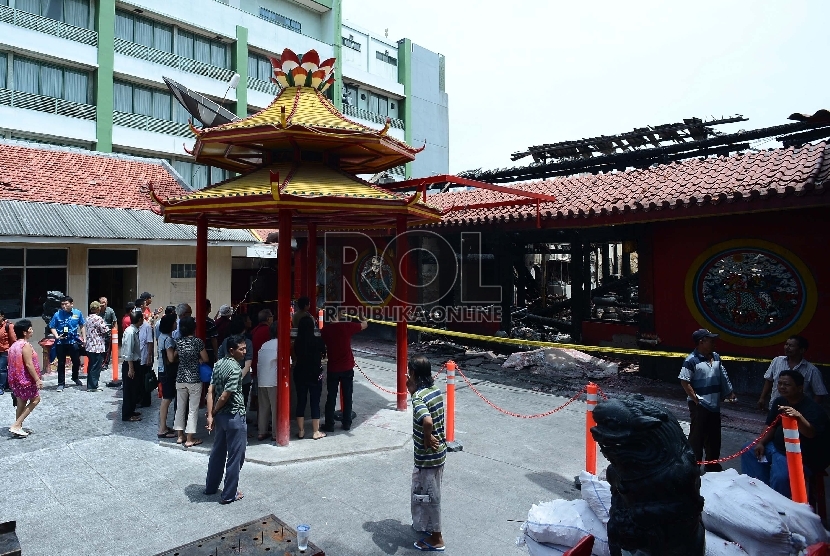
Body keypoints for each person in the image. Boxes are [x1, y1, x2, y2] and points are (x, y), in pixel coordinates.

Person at [741, 370, 830, 498]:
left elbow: (810, 433)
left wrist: (798, 417)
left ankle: (780, 507)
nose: (782, 387)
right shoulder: (780, 401)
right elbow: (770, 425)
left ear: (800, 388)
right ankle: (759, 494)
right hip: (777, 447)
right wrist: (761, 442)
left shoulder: (813, 409)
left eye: (787, 384)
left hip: (800, 455)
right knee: (748, 450)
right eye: (780, 383)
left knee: (781, 476)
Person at [678, 328, 735, 472]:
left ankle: (712, 465)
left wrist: (729, 392)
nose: (714, 343)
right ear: (701, 342)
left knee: (714, 436)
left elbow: (723, 375)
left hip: (714, 404)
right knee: (697, 436)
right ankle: (694, 466)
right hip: (700, 404)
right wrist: (696, 399)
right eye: (711, 340)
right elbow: (685, 381)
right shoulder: (691, 360)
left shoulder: (715, 357)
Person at [406, 355, 447, 551]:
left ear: (413, 373)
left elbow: (428, 421)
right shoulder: (435, 390)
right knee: (422, 490)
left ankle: (437, 537)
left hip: (428, 457)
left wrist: (427, 437)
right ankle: (424, 525)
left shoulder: (419, 398)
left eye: (409, 371)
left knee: (431, 495)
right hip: (438, 454)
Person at [205, 333, 248, 505]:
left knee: (217, 453)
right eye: (241, 349)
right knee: (235, 457)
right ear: (232, 351)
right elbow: (224, 396)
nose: (244, 352)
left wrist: (210, 415)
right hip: (234, 415)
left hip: (221, 417)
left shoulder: (218, 364)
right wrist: (214, 411)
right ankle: (229, 494)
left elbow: (210, 391)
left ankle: (210, 487)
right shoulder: (236, 369)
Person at [320, 310, 367, 432]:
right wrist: (361, 316)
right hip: (347, 367)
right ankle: (347, 423)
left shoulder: (325, 331)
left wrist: (337, 315)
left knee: (331, 397)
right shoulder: (346, 326)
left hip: (333, 368)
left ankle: (329, 424)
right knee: (347, 396)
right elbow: (364, 325)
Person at [758, 336, 827, 410]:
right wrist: (762, 398)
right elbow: (769, 380)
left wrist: (811, 410)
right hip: (776, 407)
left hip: (799, 411)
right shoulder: (777, 361)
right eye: (786, 344)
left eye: (791, 346)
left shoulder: (812, 370)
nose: (787, 348)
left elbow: (819, 393)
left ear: (802, 350)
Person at [174, 316, 208, 448]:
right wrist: (198, 360)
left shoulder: (179, 341)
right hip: (194, 378)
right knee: (192, 409)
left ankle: (179, 436)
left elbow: (176, 356)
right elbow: (205, 358)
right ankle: (190, 438)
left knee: (180, 408)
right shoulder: (197, 342)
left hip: (180, 378)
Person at [7, 319, 43, 437]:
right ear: (24, 332)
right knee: (36, 399)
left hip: (15, 379)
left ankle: (18, 428)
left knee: (21, 402)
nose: (32, 331)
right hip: (25, 380)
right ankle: (16, 425)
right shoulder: (25, 345)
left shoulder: (14, 345)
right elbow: (28, 364)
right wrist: (37, 379)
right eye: (30, 329)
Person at [294, 315, 326, 440]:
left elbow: (295, 356)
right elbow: (323, 355)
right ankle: (315, 431)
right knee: (315, 402)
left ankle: (301, 431)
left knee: (301, 402)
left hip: (300, 372)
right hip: (314, 374)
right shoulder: (318, 341)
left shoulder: (297, 342)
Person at [49, 295, 86, 391]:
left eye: (66, 304)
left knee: (76, 361)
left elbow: (82, 325)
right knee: (61, 363)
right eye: (62, 304)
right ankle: (61, 383)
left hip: (73, 341)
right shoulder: (57, 314)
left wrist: (84, 338)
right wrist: (57, 336)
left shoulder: (77, 313)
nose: (64, 306)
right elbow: (52, 326)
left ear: (71, 304)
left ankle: (75, 377)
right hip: (61, 342)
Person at [218, 314, 253, 411]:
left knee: (228, 403)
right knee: (242, 404)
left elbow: (220, 360)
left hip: (227, 377)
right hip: (243, 379)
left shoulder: (225, 341)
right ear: (243, 328)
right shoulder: (248, 342)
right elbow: (247, 364)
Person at [156, 313, 178, 439]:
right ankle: (162, 428)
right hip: (168, 372)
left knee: (166, 398)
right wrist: (178, 349)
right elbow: (170, 357)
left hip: (162, 370)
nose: (176, 324)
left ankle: (163, 426)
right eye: (174, 322)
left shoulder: (162, 337)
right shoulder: (168, 340)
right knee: (167, 399)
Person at [120, 310, 144, 422]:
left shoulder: (134, 330)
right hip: (130, 363)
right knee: (129, 390)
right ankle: (127, 414)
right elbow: (128, 351)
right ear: (139, 320)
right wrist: (131, 367)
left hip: (134, 362)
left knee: (134, 389)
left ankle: (131, 410)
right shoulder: (130, 332)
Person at [256, 322, 277, 441]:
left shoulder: (264, 345)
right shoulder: (280, 344)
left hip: (262, 379)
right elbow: (288, 363)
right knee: (275, 408)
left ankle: (261, 431)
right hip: (274, 380)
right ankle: (275, 433)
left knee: (263, 407)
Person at [84, 301, 109, 391]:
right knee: (96, 366)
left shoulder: (87, 318)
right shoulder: (98, 319)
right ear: (98, 309)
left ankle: (90, 384)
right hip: (97, 346)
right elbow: (105, 330)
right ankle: (93, 386)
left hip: (89, 346)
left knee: (91, 365)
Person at [137, 306, 154, 408]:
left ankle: (145, 401)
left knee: (145, 381)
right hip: (138, 357)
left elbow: (150, 343)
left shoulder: (147, 327)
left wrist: (149, 357)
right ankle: (140, 399)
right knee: (139, 380)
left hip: (145, 357)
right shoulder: (136, 326)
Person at [0, 309, 18, 396]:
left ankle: (1, 387)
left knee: (2, 369)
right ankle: (6, 384)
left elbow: (14, 340)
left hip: (5, 351)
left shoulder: (8, 326)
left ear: (2, 316)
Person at [98, 297, 117, 370]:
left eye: (105, 302)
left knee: (107, 349)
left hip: (108, 333)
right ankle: (100, 363)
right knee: (100, 349)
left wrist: (115, 333)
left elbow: (114, 322)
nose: (104, 303)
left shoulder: (110, 311)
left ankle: (105, 363)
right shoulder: (97, 310)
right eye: (102, 302)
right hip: (99, 333)